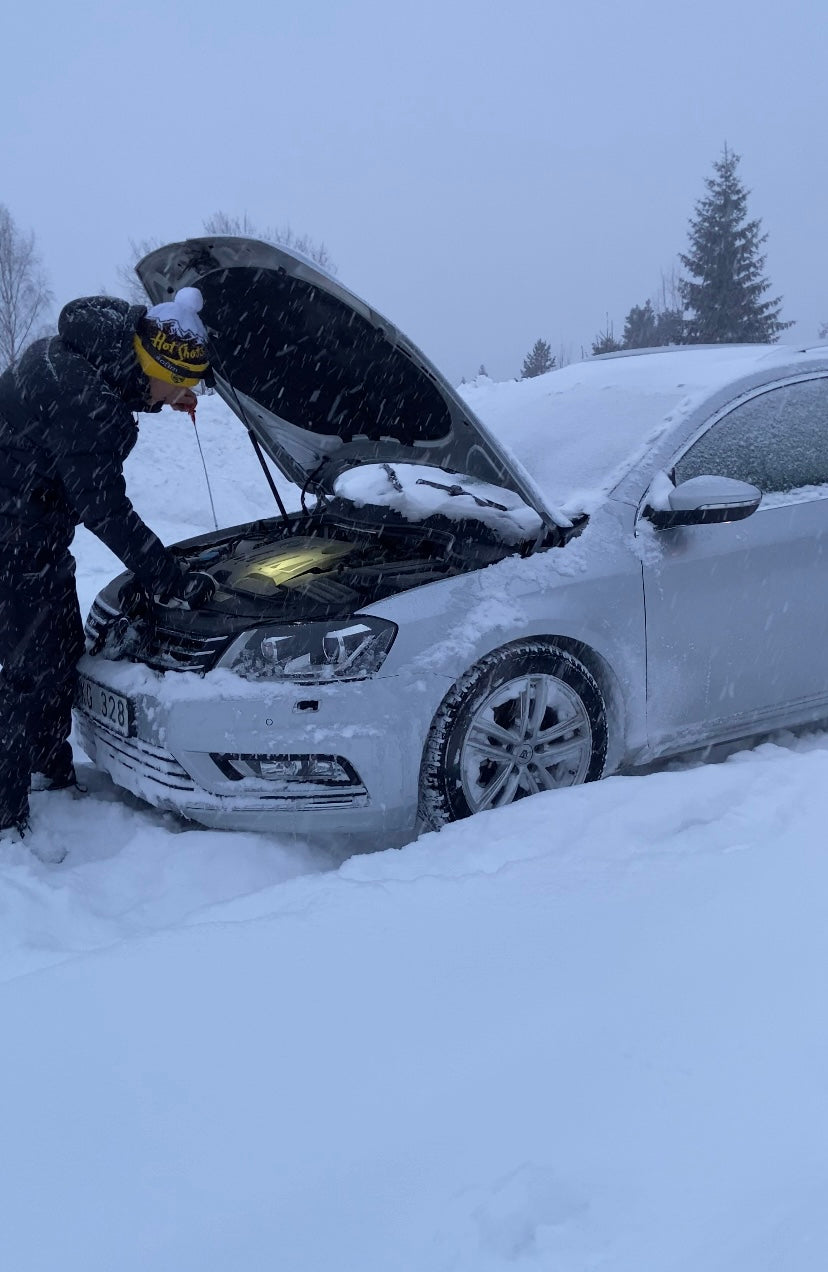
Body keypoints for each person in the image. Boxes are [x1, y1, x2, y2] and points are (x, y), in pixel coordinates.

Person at [0, 286, 217, 841]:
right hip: (13, 537)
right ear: (158, 364)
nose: (181, 398)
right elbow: (106, 510)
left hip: (33, 532)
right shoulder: (84, 399)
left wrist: (156, 395)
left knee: (58, 652)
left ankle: (48, 771)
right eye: (182, 385)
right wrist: (171, 580)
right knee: (24, 673)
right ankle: (6, 816)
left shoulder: (92, 354)